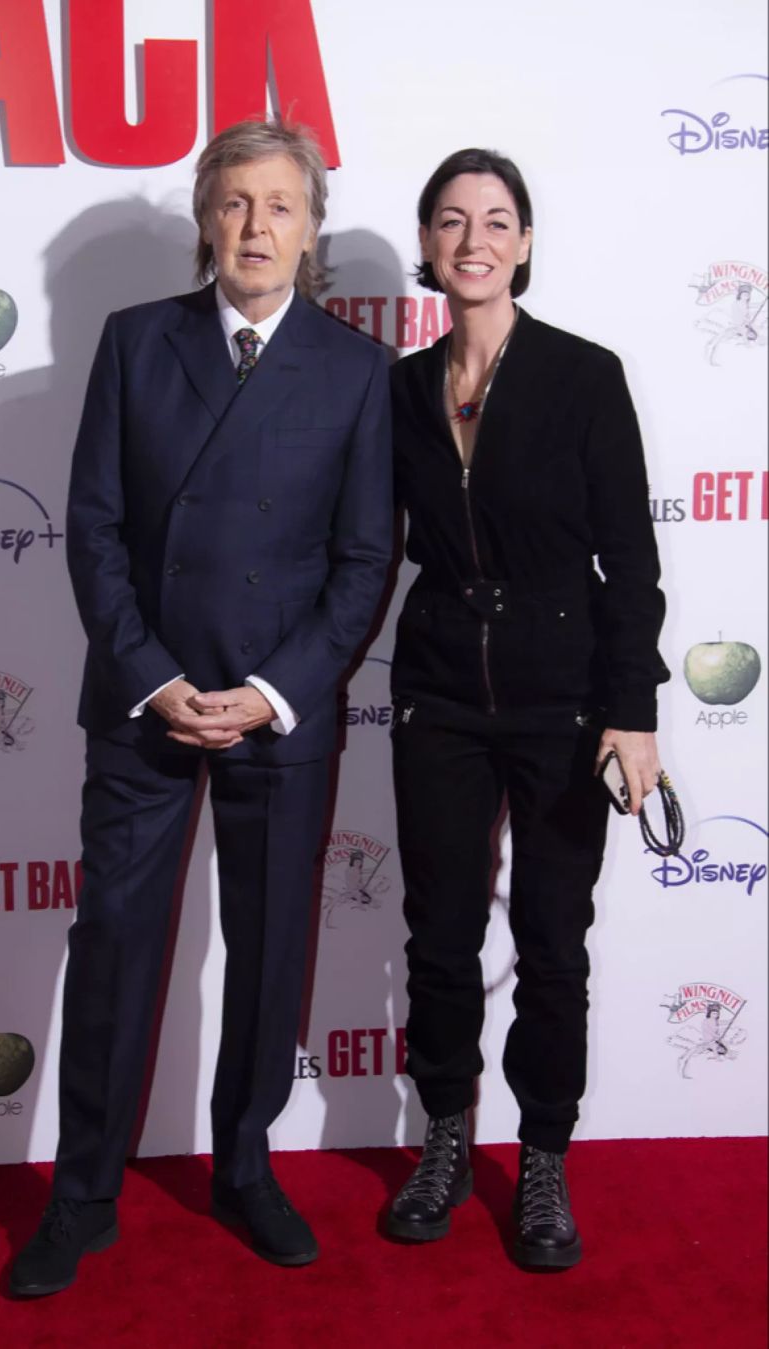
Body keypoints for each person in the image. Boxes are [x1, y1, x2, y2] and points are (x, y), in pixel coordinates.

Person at [10, 118, 392, 1297]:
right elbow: (97, 530)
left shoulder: (358, 368)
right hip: (146, 699)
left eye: (281, 205)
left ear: (313, 228)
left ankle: (243, 1162)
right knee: (116, 944)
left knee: (274, 947)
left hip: (280, 708)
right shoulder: (135, 344)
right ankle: (82, 1193)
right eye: (235, 203)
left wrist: (273, 690)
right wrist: (157, 678)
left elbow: (365, 558)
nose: (256, 227)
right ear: (203, 220)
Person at [385, 149, 669, 1268]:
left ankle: (543, 1155)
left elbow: (633, 562)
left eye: (497, 220)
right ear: (426, 242)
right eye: (451, 220)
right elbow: (370, 542)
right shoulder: (401, 386)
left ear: (527, 242)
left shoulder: (585, 376)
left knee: (554, 942)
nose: (474, 240)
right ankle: (445, 1139)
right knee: (440, 936)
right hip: (442, 690)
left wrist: (632, 712)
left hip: (564, 697)